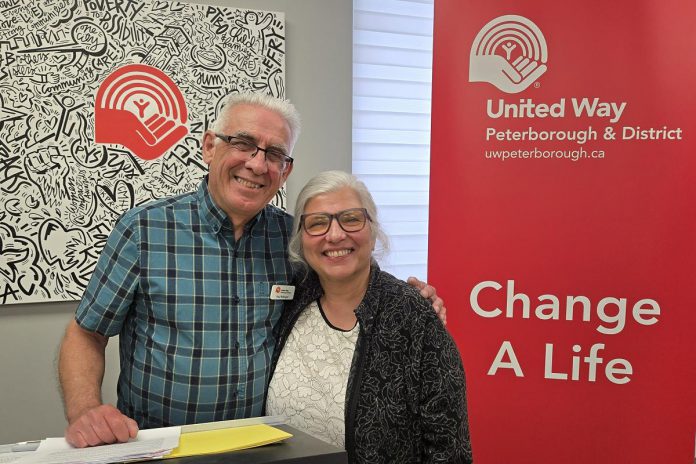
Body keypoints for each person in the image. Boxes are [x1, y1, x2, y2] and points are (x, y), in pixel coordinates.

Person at [58, 92, 445, 448]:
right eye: (242, 143)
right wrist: (85, 410)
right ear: (210, 147)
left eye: (274, 153)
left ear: (285, 171)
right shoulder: (145, 230)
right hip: (163, 447)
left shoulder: (291, 238)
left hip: (262, 446)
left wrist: (412, 299)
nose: (257, 164)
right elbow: (86, 332)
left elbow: (350, 274)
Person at [265, 171, 472, 463]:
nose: (335, 235)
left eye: (351, 219)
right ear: (302, 240)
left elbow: (449, 450)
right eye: (317, 223)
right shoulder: (293, 300)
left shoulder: (414, 318)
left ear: (373, 232)